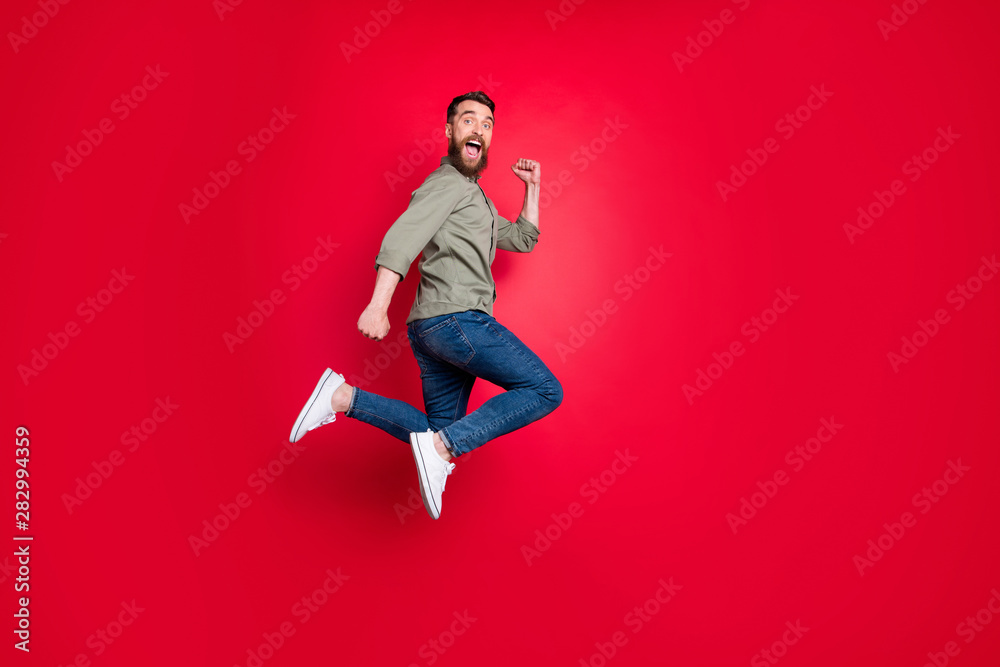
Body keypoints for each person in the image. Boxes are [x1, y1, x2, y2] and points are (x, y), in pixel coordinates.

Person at [289, 91, 562, 519]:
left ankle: (342, 397)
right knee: (544, 390)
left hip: (433, 333)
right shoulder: (447, 184)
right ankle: (442, 448)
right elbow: (403, 237)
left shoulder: (477, 199)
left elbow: (523, 239)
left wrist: (533, 188)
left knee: (438, 432)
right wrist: (378, 305)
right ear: (450, 131)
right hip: (458, 322)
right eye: (468, 120)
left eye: (487, 124)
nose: (479, 129)